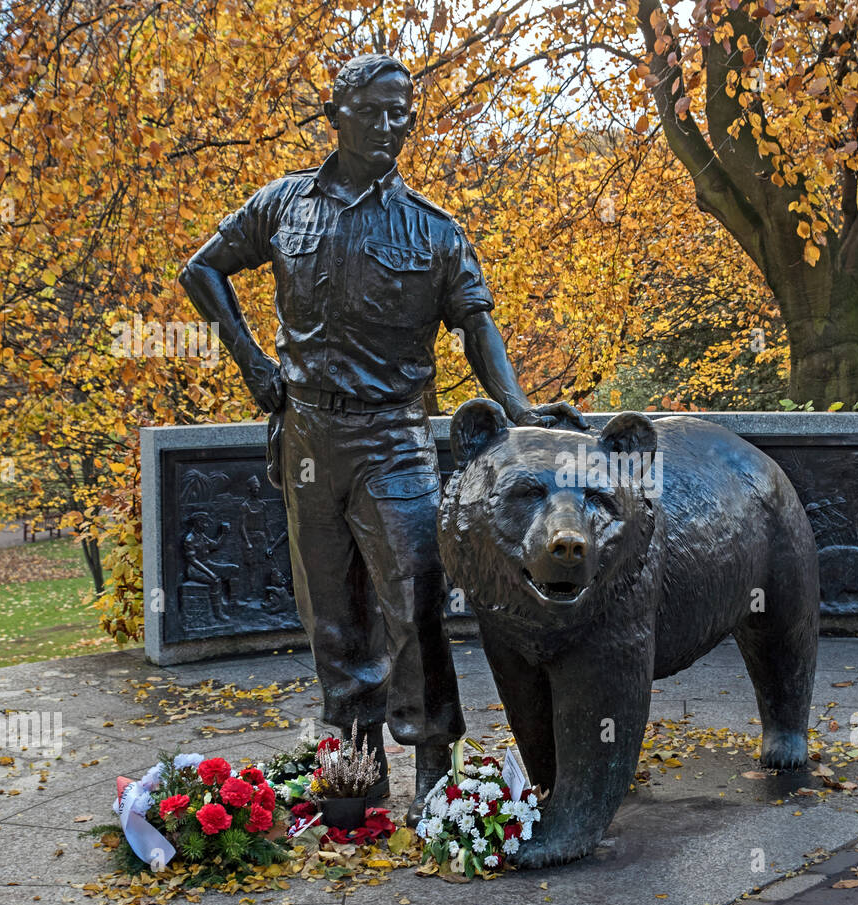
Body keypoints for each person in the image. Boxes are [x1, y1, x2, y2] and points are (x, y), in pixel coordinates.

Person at [179, 54, 585, 822]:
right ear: (335, 114)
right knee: (330, 609)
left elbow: (476, 324)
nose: (393, 125)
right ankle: (355, 776)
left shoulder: (433, 229)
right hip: (307, 434)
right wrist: (254, 365)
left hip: (395, 436)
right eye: (376, 110)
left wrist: (521, 411)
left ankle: (436, 774)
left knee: (414, 599)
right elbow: (202, 269)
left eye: (404, 111)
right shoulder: (282, 206)